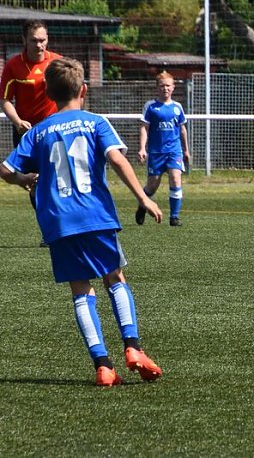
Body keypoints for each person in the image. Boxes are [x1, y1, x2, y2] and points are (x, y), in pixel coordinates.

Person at [0, 58, 163, 387]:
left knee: (80, 289)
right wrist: (143, 197)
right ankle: (132, 348)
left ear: (48, 92)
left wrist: (26, 179)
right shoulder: (95, 122)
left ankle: (103, 365)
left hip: (58, 221)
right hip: (95, 214)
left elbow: (4, 170)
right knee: (114, 276)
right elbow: (116, 158)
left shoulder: (40, 130)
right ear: (83, 90)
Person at [0, 20, 62, 229]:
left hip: (55, 131)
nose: (39, 45)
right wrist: (17, 121)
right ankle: (48, 226)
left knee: (54, 179)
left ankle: (58, 227)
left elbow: (73, 93)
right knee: (30, 180)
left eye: (43, 40)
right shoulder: (13, 65)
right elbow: (5, 100)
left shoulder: (58, 63)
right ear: (24, 40)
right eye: (34, 40)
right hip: (26, 133)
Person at [136, 71, 190, 227]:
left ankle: (174, 217)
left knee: (175, 178)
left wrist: (186, 150)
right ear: (157, 88)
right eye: (162, 86)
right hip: (156, 152)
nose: (165, 89)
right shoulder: (151, 107)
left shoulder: (177, 107)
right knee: (152, 186)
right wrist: (142, 148)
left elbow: (182, 129)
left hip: (174, 151)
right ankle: (142, 205)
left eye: (168, 85)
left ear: (173, 87)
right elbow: (144, 128)